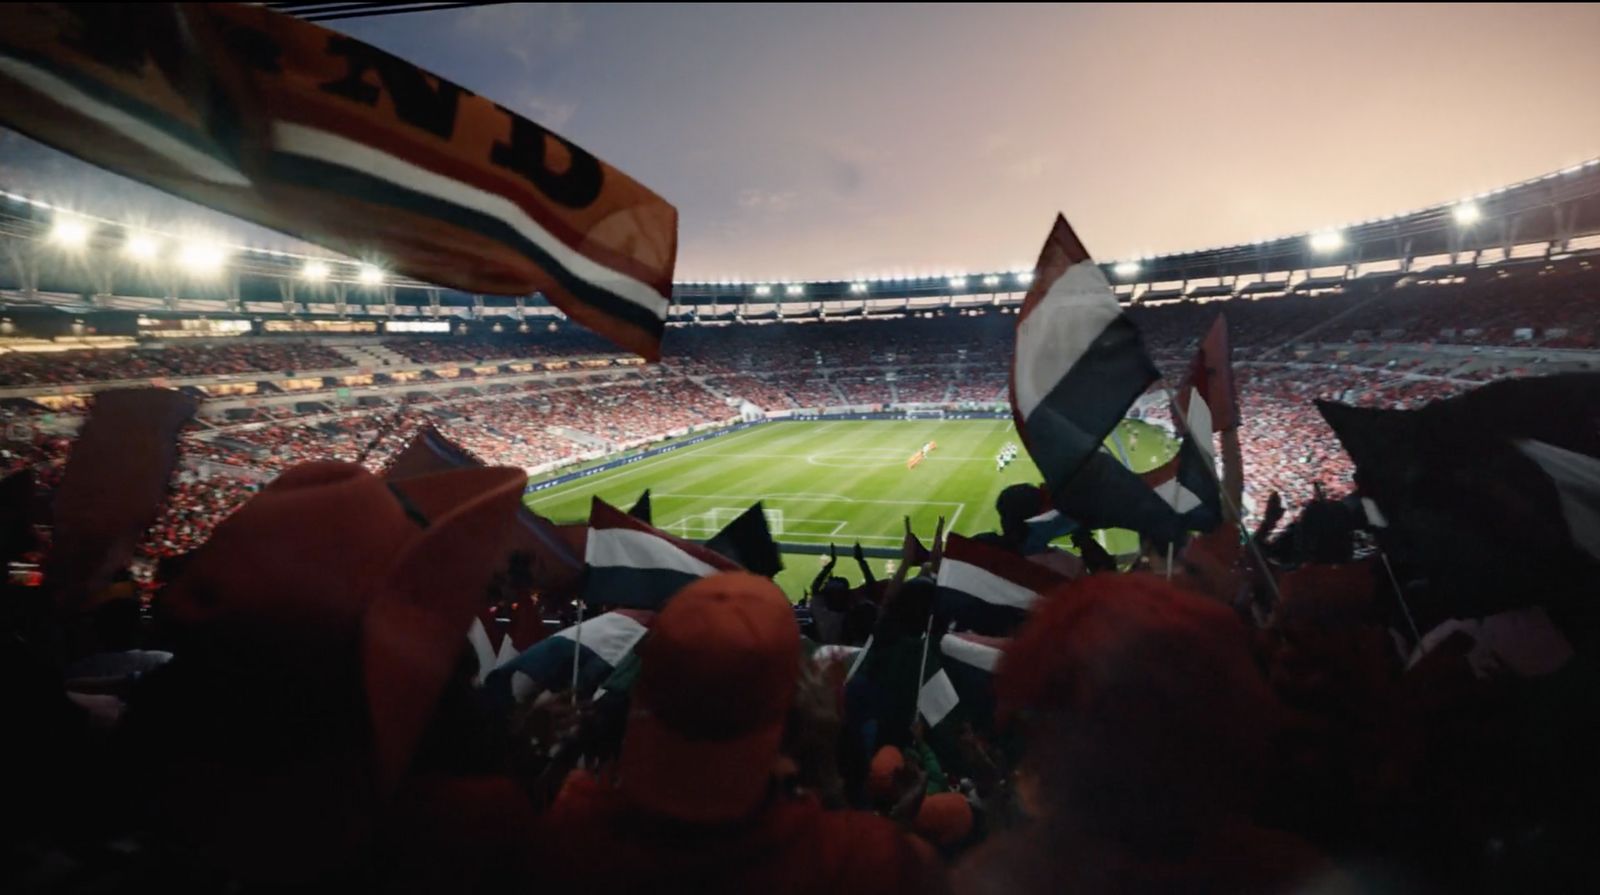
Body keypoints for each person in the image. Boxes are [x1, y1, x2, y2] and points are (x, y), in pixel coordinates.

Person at [528, 572, 948, 894]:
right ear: (798, 721)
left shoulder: (567, 830)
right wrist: (836, 776)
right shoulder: (866, 860)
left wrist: (542, 750)